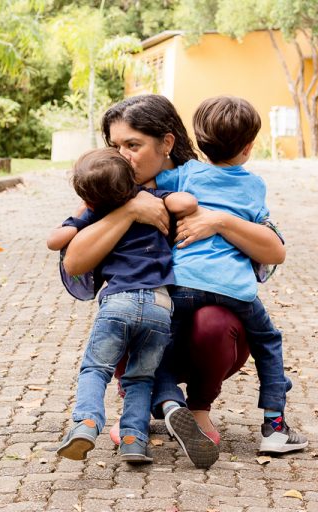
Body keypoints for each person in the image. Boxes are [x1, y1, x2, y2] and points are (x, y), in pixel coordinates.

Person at [60, 95, 287, 467]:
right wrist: (130, 210)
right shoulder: (108, 187)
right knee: (127, 308)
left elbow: (275, 250)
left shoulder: (202, 180)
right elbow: (74, 261)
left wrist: (219, 221)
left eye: (133, 145)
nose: (121, 156)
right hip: (138, 333)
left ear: (166, 143)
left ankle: (196, 410)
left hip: (204, 338)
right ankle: (145, 406)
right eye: (114, 146)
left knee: (215, 318)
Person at [152, 96, 308, 454]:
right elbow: (266, 235)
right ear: (249, 147)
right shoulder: (255, 186)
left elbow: (150, 183)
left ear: (199, 140)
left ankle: (167, 400)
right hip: (234, 291)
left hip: (183, 282)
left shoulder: (185, 173)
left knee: (157, 341)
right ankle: (274, 426)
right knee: (269, 341)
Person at [49, 147, 197, 464]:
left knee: (96, 369)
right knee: (141, 378)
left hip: (120, 301)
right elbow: (187, 203)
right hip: (160, 305)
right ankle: (133, 440)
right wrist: (163, 198)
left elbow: (55, 241)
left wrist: (81, 215)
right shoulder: (150, 198)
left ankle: (86, 423)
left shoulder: (97, 213)